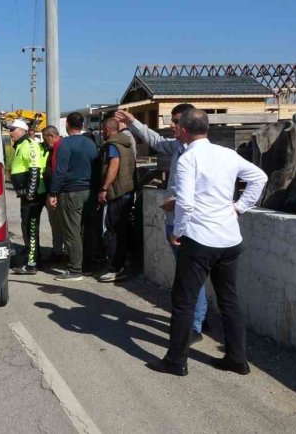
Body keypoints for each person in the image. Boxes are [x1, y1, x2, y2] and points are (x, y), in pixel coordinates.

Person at [145, 109, 268, 376]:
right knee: (229, 300)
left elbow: (186, 202)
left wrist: (177, 231)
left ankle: (176, 361)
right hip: (229, 238)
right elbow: (260, 177)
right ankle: (238, 359)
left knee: (184, 301)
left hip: (199, 239)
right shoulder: (227, 154)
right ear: (207, 128)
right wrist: (239, 207)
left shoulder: (189, 158)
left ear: (185, 131)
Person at [116, 104, 208, 344]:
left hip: (186, 225)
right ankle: (197, 318)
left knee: (189, 278)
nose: (172, 125)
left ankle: (195, 326)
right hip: (174, 222)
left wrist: (176, 203)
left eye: (177, 122)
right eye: (172, 120)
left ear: (189, 124)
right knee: (188, 276)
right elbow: (155, 141)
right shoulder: (178, 147)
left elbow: (202, 190)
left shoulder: (201, 154)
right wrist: (134, 121)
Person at [47, 113, 98, 281]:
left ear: (67, 124)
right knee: (87, 229)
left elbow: (59, 171)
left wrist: (53, 192)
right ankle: (87, 266)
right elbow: (97, 169)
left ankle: (75, 269)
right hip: (89, 191)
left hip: (70, 192)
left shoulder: (65, 144)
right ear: (82, 124)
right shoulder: (91, 143)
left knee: (72, 232)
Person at [96, 117, 136, 283]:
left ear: (106, 130)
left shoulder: (112, 145)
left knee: (112, 231)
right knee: (122, 231)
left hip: (117, 193)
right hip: (127, 191)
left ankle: (114, 268)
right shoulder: (126, 143)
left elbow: (114, 165)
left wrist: (104, 188)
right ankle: (121, 265)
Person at [7, 119, 47, 275]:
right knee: (27, 227)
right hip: (26, 195)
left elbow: (35, 169)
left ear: (22, 130)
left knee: (30, 228)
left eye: (13, 129)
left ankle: (32, 264)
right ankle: (35, 258)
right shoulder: (20, 145)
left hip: (33, 195)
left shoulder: (29, 145)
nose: (10, 132)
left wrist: (30, 192)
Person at [41, 126, 66, 263]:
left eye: (45, 140)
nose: (45, 143)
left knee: (58, 224)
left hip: (56, 193)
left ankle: (59, 252)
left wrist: (53, 194)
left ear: (51, 136)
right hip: (54, 192)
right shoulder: (55, 148)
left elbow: (58, 172)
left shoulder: (59, 148)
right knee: (56, 224)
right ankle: (58, 250)